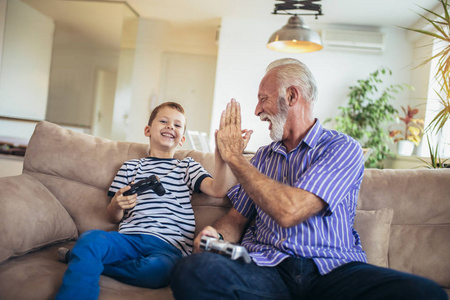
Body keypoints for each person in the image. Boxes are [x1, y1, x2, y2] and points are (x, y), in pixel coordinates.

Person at [170, 59, 447, 300]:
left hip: (332, 272)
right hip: (266, 271)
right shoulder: (264, 158)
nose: (257, 110)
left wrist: (236, 158)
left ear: (291, 96)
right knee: (192, 270)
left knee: (425, 294)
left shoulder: (342, 148)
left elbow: (290, 211)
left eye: (263, 98)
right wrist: (215, 235)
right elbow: (236, 219)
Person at [56, 102, 231, 300]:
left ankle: (82, 259)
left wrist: (221, 156)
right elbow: (113, 217)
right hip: (129, 238)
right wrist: (116, 205)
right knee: (90, 239)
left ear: (182, 139)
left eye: (177, 125)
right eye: (163, 121)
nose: (170, 127)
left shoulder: (187, 167)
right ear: (148, 130)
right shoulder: (131, 167)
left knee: (157, 272)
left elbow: (218, 189)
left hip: (169, 246)